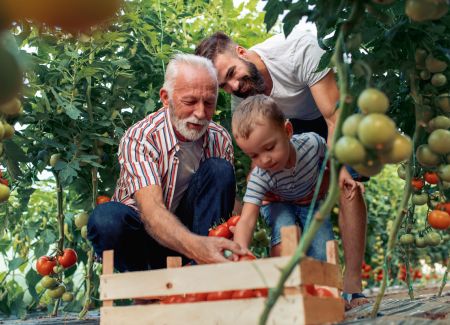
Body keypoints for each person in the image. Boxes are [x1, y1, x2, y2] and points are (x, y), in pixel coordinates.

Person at [196, 28, 368, 309]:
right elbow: (257, 147)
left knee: (348, 183)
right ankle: (300, 289)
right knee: (278, 194)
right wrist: (251, 204)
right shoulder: (244, 94)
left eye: (231, 75)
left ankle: (353, 285)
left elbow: (333, 119)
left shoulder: (299, 49)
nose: (234, 87)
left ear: (241, 52)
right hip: (286, 126)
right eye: (223, 87)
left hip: (331, 111)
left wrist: (340, 170)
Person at [87, 54, 245, 272]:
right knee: (106, 219)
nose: (200, 113)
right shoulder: (141, 137)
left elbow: (222, 202)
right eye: (189, 102)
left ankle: (203, 276)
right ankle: (143, 286)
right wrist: (198, 247)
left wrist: (244, 226)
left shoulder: (219, 138)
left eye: (209, 103)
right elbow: (151, 213)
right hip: (146, 240)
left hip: (197, 239)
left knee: (219, 170)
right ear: (165, 97)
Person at [231, 95, 333, 261]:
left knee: (322, 249)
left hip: (310, 199)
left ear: (287, 131)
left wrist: (332, 177)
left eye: (270, 148)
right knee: (285, 235)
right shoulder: (260, 176)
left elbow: (332, 160)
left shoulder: (313, 144)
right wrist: (239, 251)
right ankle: (283, 281)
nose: (264, 160)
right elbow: (247, 220)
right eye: (254, 155)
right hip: (276, 202)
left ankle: (324, 286)